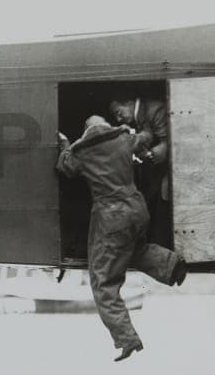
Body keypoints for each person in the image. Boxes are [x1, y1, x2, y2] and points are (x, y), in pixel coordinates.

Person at [56, 116, 187, 361]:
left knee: (103, 281)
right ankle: (171, 265)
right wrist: (148, 129)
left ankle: (126, 339)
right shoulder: (123, 139)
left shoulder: (82, 151)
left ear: (86, 132)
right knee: (133, 249)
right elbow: (145, 139)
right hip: (137, 209)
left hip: (111, 216)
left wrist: (65, 144)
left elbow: (65, 167)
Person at [108, 96, 172, 247]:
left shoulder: (155, 110)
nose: (119, 119)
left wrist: (149, 154)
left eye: (119, 112)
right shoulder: (140, 116)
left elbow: (169, 143)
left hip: (166, 175)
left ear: (129, 103)